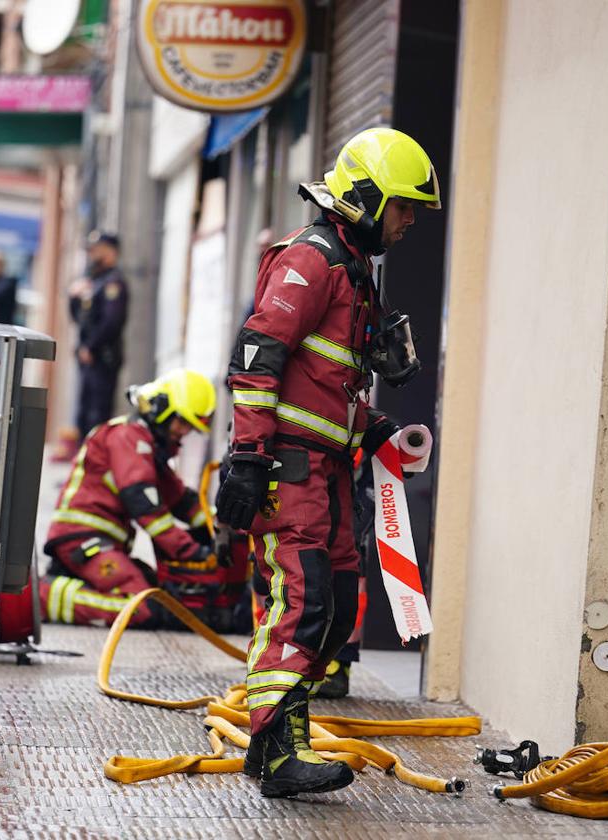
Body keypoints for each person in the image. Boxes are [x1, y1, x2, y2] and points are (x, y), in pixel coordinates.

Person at [215, 127, 440, 798]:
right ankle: (281, 756)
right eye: (402, 208)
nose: (406, 224)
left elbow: (327, 383)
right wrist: (249, 457)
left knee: (339, 610)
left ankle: (278, 742)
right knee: (303, 603)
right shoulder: (311, 262)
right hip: (290, 470)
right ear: (367, 197)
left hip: (329, 472)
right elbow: (258, 358)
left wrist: (374, 431)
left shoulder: (352, 269)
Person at [39, 369, 219, 628]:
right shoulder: (128, 438)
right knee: (142, 606)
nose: (183, 432)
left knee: (157, 591)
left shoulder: (148, 449)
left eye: (190, 428)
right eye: (182, 423)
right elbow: (145, 506)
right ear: (161, 409)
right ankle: (46, 596)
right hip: (83, 539)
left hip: (102, 542)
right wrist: (191, 551)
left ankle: (73, 585)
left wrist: (219, 531)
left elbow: (182, 501)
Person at [69, 232, 128, 438]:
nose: (93, 254)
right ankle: (84, 460)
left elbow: (112, 322)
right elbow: (80, 318)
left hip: (103, 357)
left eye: (98, 249)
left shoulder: (114, 283)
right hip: (89, 357)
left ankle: (95, 461)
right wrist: (74, 297)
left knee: (97, 414)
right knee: (84, 413)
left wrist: (91, 347)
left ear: (111, 252)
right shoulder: (95, 281)